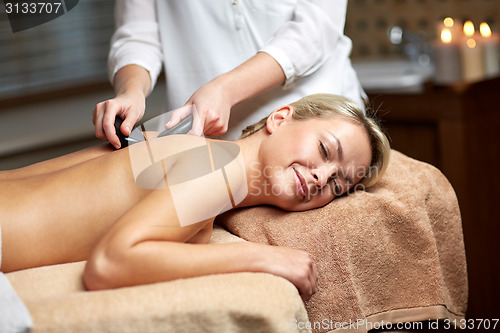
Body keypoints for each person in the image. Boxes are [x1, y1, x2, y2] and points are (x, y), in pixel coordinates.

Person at [1, 94, 389, 301]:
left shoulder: (200, 153)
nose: (323, 177)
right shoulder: (220, 167)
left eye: (339, 185)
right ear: (280, 118)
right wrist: (266, 257)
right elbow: (110, 263)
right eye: (325, 150)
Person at [93, 0, 365, 149]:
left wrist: (226, 89)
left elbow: (315, 29)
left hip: (320, 127)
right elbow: (138, 33)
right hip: (201, 143)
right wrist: (132, 90)